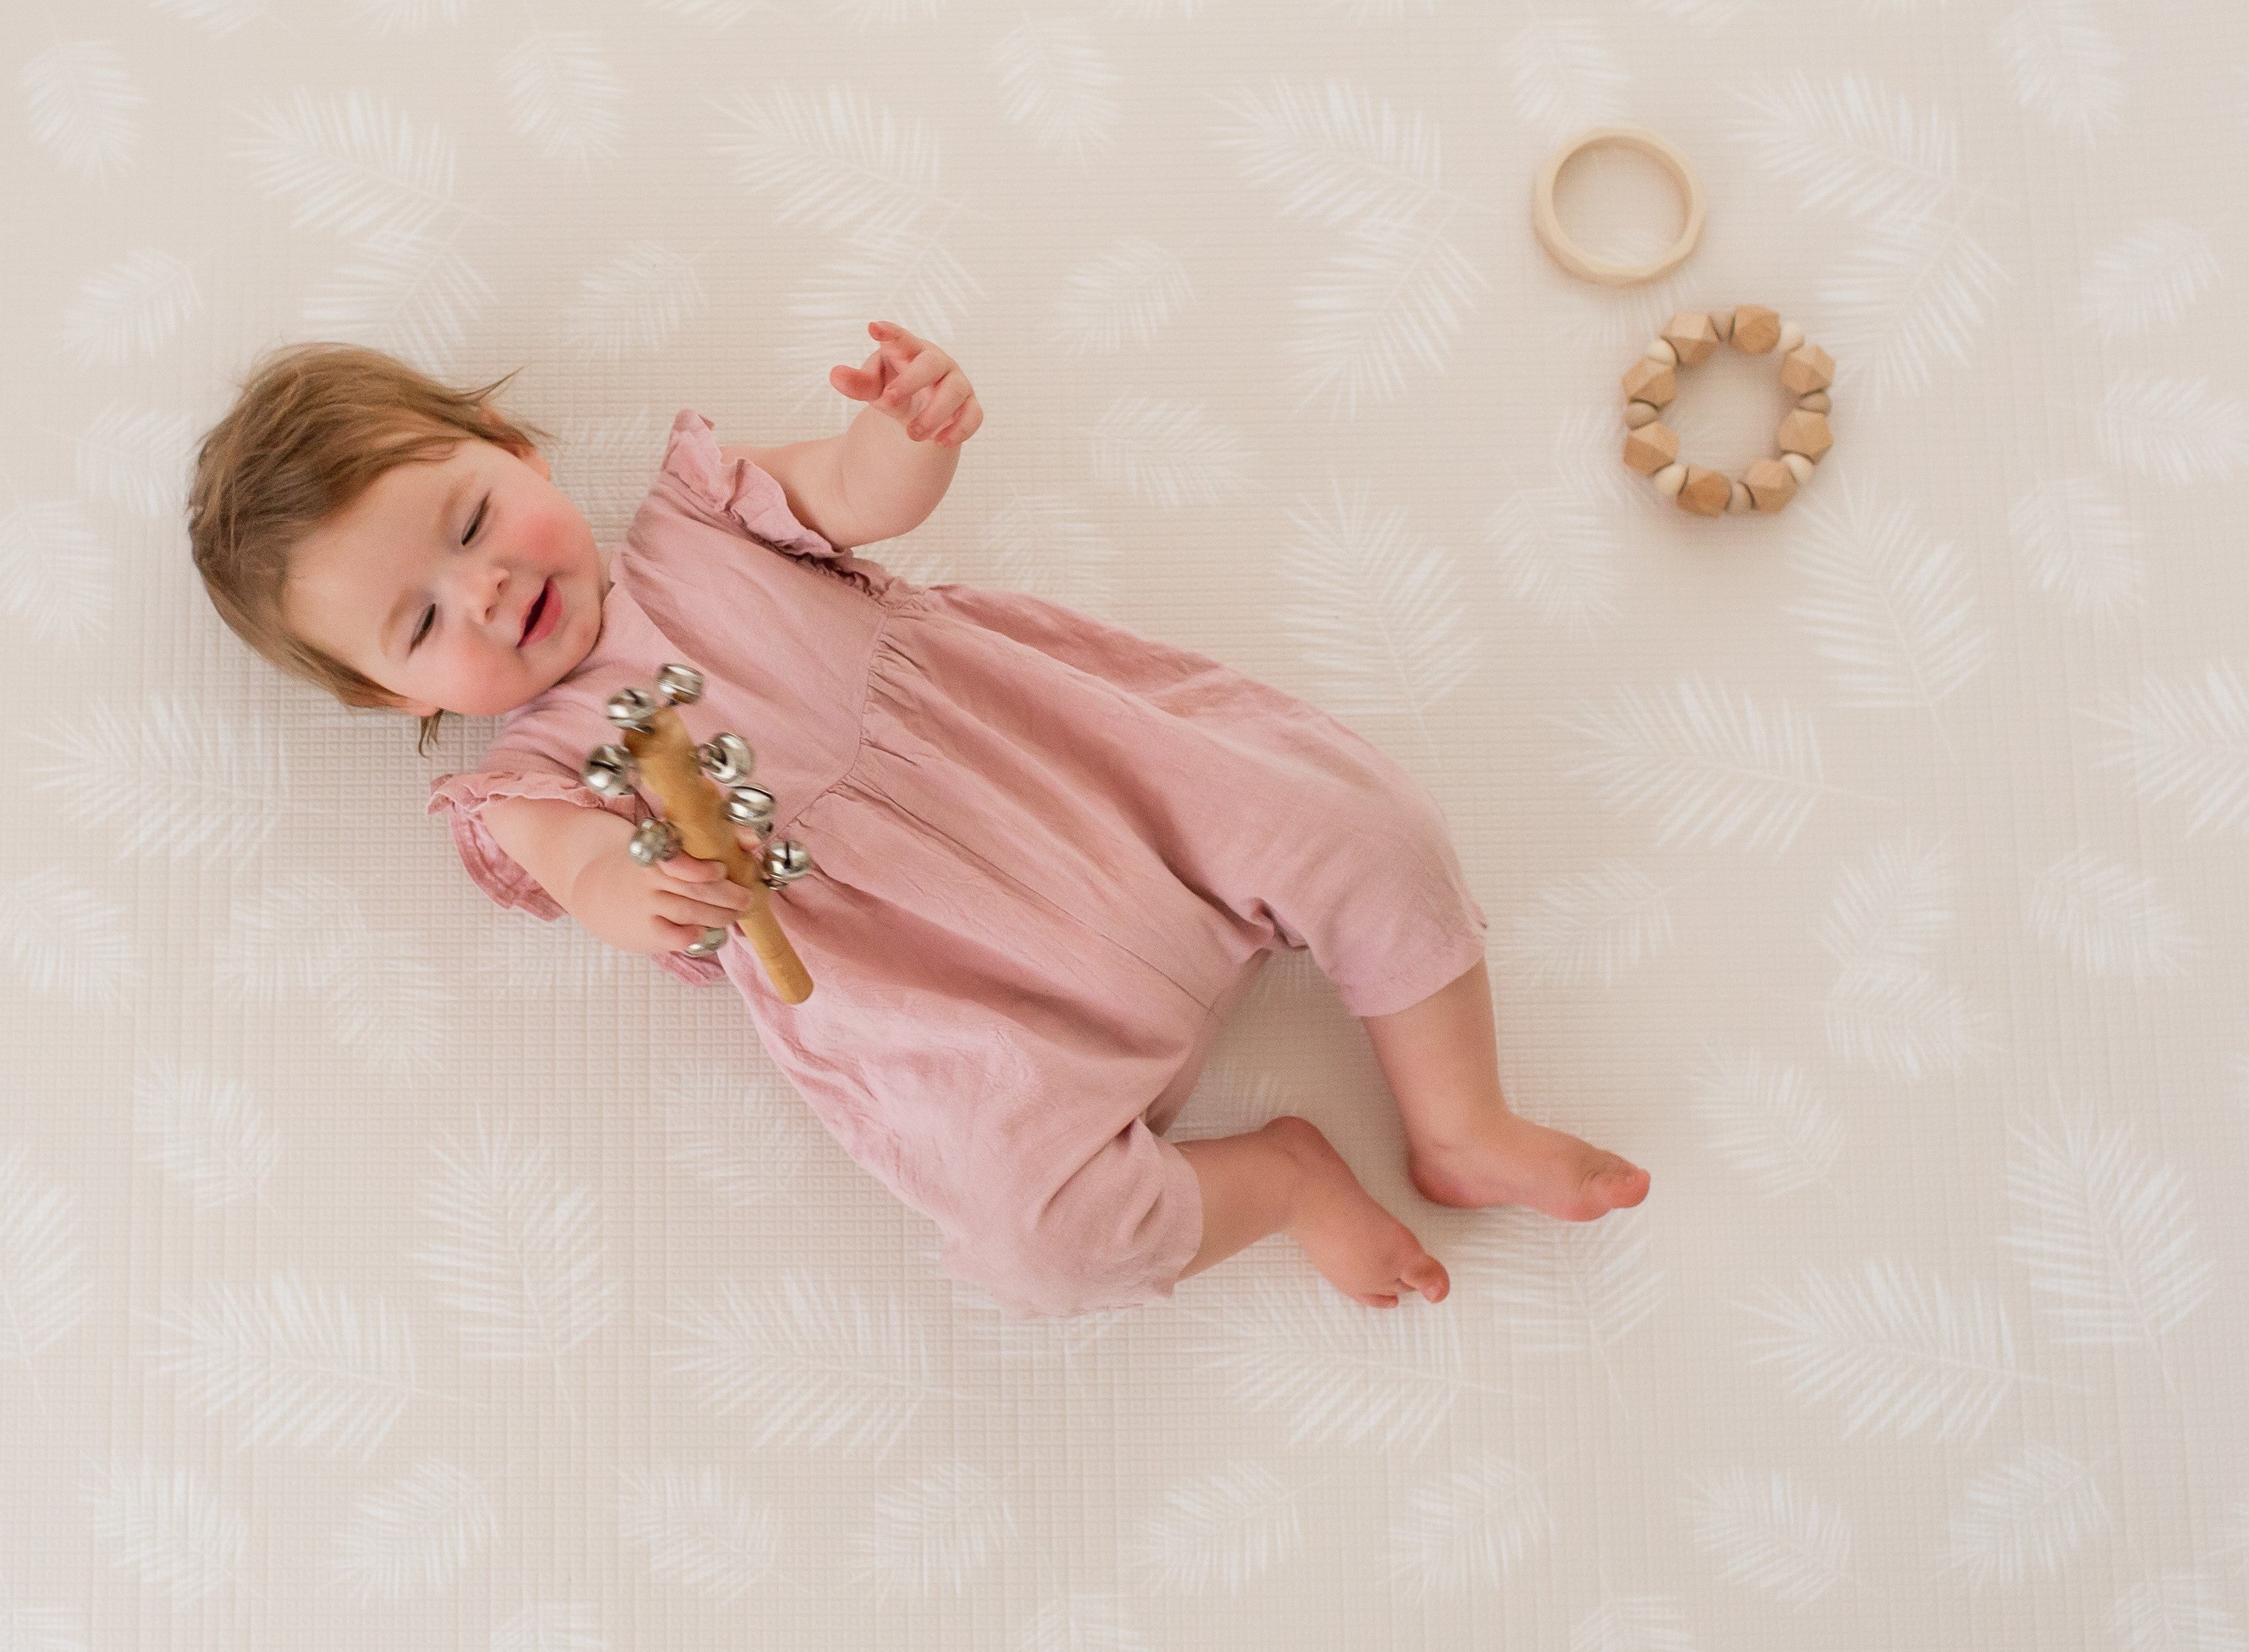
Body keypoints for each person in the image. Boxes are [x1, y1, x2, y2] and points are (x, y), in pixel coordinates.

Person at [185, 327, 1648, 1319]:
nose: (488, 590)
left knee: (1352, 819)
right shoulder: (535, 776)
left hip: (1081, 781)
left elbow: (855, 490)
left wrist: (905, 431)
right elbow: (572, 865)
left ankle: (1460, 1121)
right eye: (422, 622)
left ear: (516, 448)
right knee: (1036, 1241)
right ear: (392, 697)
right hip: (941, 998)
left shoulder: (704, 518)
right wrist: (629, 892)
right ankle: (1278, 1178)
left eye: (468, 523)